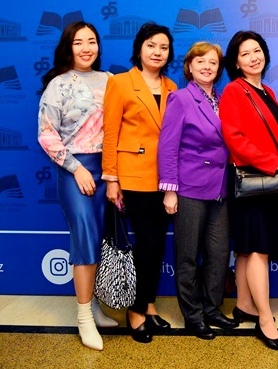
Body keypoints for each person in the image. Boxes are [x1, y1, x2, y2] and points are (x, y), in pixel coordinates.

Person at [37, 21, 117, 351]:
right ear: (68, 47)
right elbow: (46, 134)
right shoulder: (58, 84)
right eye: (79, 42)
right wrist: (77, 168)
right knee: (84, 238)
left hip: (107, 170)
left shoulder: (110, 80)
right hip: (75, 172)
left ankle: (94, 306)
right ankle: (83, 317)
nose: (86, 48)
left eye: (92, 41)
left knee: (100, 239)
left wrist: (113, 174)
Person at [157, 42, 238, 340]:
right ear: (189, 66)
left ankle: (212, 308)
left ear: (219, 69)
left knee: (218, 253)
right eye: (200, 61)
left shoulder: (224, 99)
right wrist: (169, 190)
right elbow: (167, 147)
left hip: (220, 189)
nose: (207, 66)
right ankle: (193, 316)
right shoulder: (180, 98)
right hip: (189, 189)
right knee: (188, 256)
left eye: (213, 62)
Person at [102, 22, 177, 344]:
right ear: (139, 49)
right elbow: (110, 134)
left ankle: (148, 304)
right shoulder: (120, 83)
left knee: (157, 245)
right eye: (151, 45)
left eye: (163, 47)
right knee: (146, 243)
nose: (157, 52)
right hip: (133, 176)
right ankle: (135, 311)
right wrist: (111, 179)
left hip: (165, 178)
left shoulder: (172, 87)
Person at [219, 30, 278, 352]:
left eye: (257, 50)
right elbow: (235, 140)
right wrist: (274, 162)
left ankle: (244, 305)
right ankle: (265, 319)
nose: (253, 57)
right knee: (259, 249)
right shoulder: (234, 91)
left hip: (268, 183)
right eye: (245, 53)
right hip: (251, 180)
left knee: (248, 250)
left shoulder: (267, 90)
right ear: (236, 62)